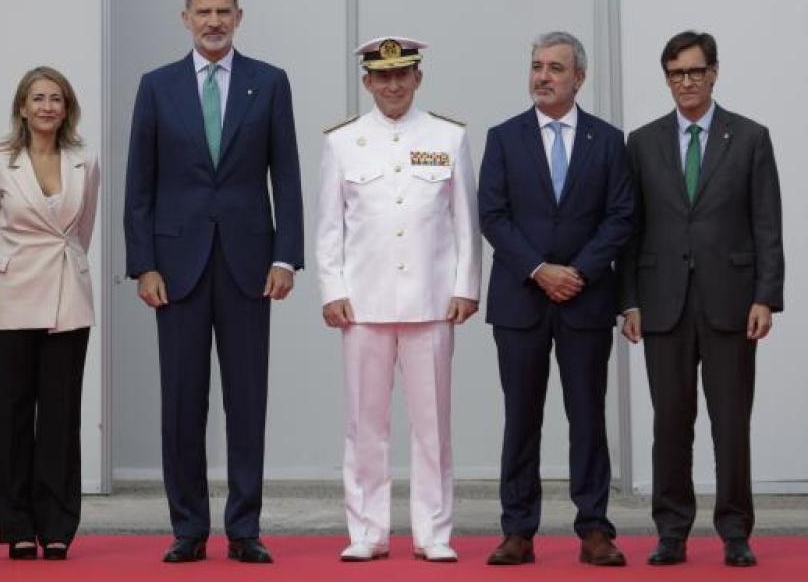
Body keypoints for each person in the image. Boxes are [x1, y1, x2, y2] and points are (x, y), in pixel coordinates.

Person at [124, 0, 304, 564]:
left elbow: (289, 178)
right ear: (185, 18)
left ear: (239, 16)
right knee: (181, 401)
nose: (213, 22)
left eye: (223, 11)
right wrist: (143, 264)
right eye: (202, 11)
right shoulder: (157, 87)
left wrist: (285, 255)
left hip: (250, 265)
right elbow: (139, 189)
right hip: (175, 270)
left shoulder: (269, 83)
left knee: (247, 400)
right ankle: (189, 527)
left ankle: (245, 527)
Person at [618, 31, 783, 568]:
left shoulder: (751, 138)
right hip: (663, 303)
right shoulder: (641, 143)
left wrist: (766, 296)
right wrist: (631, 301)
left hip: (731, 302)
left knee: (731, 421)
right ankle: (672, 531)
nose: (685, 82)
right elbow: (631, 230)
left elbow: (767, 225)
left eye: (694, 71)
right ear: (666, 78)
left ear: (714, 72)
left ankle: (735, 530)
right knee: (670, 421)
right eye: (674, 73)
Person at [316, 36, 480, 563]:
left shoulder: (448, 137)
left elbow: (464, 223)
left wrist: (465, 287)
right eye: (382, 76)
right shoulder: (343, 142)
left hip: (431, 302)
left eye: (402, 74)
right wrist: (333, 290)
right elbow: (329, 227)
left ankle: (434, 531)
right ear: (367, 81)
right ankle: (368, 530)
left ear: (418, 77)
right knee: (365, 425)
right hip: (363, 304)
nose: (392, 85)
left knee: (433, 426)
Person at [478, 31, 632, 567]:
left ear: (579, 78)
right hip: (521, 300)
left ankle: (594, 528)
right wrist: (542, 271)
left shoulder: (608, 141)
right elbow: (492, 216)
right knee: (521, 416)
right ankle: (518, 529)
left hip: (585, 300)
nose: (543, 76)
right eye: (537, 66)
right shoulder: (504, 137)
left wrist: (579, 273)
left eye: (556, 68)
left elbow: (620, 216)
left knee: (587, 415)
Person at [0, 66, 100, 561]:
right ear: (22, 107)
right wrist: (12, 266)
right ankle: (18, 525)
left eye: (56, 99)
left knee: (60, 417)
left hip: (68, 295)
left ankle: (57, 526)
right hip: (12, 294)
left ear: (66, 108)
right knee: (11, 415)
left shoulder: (83, 160)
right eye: (38, 98)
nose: (47, 106)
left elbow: (82, 230)